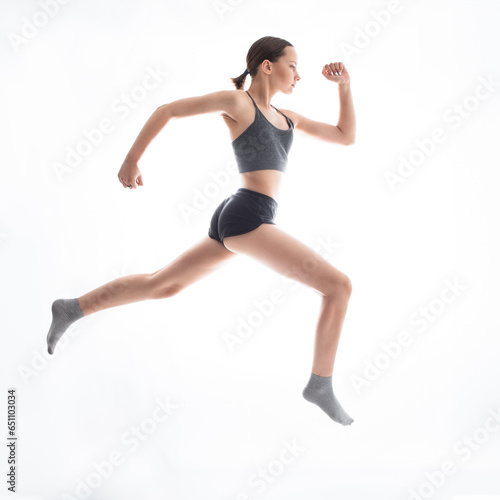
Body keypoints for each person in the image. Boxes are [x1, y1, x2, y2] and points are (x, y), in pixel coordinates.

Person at [45, 35, 356, 426]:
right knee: (338, 286)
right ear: (267, 66)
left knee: (163, 284)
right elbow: (168, 110)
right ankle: (320, 384)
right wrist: (132, 159)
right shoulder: (238, 103)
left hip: (243, 213)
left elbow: (346, 136)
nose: (299, 74)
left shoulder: (289, 118)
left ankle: (71, 308)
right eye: (292, 65)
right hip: (248, 215)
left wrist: (344, 86)